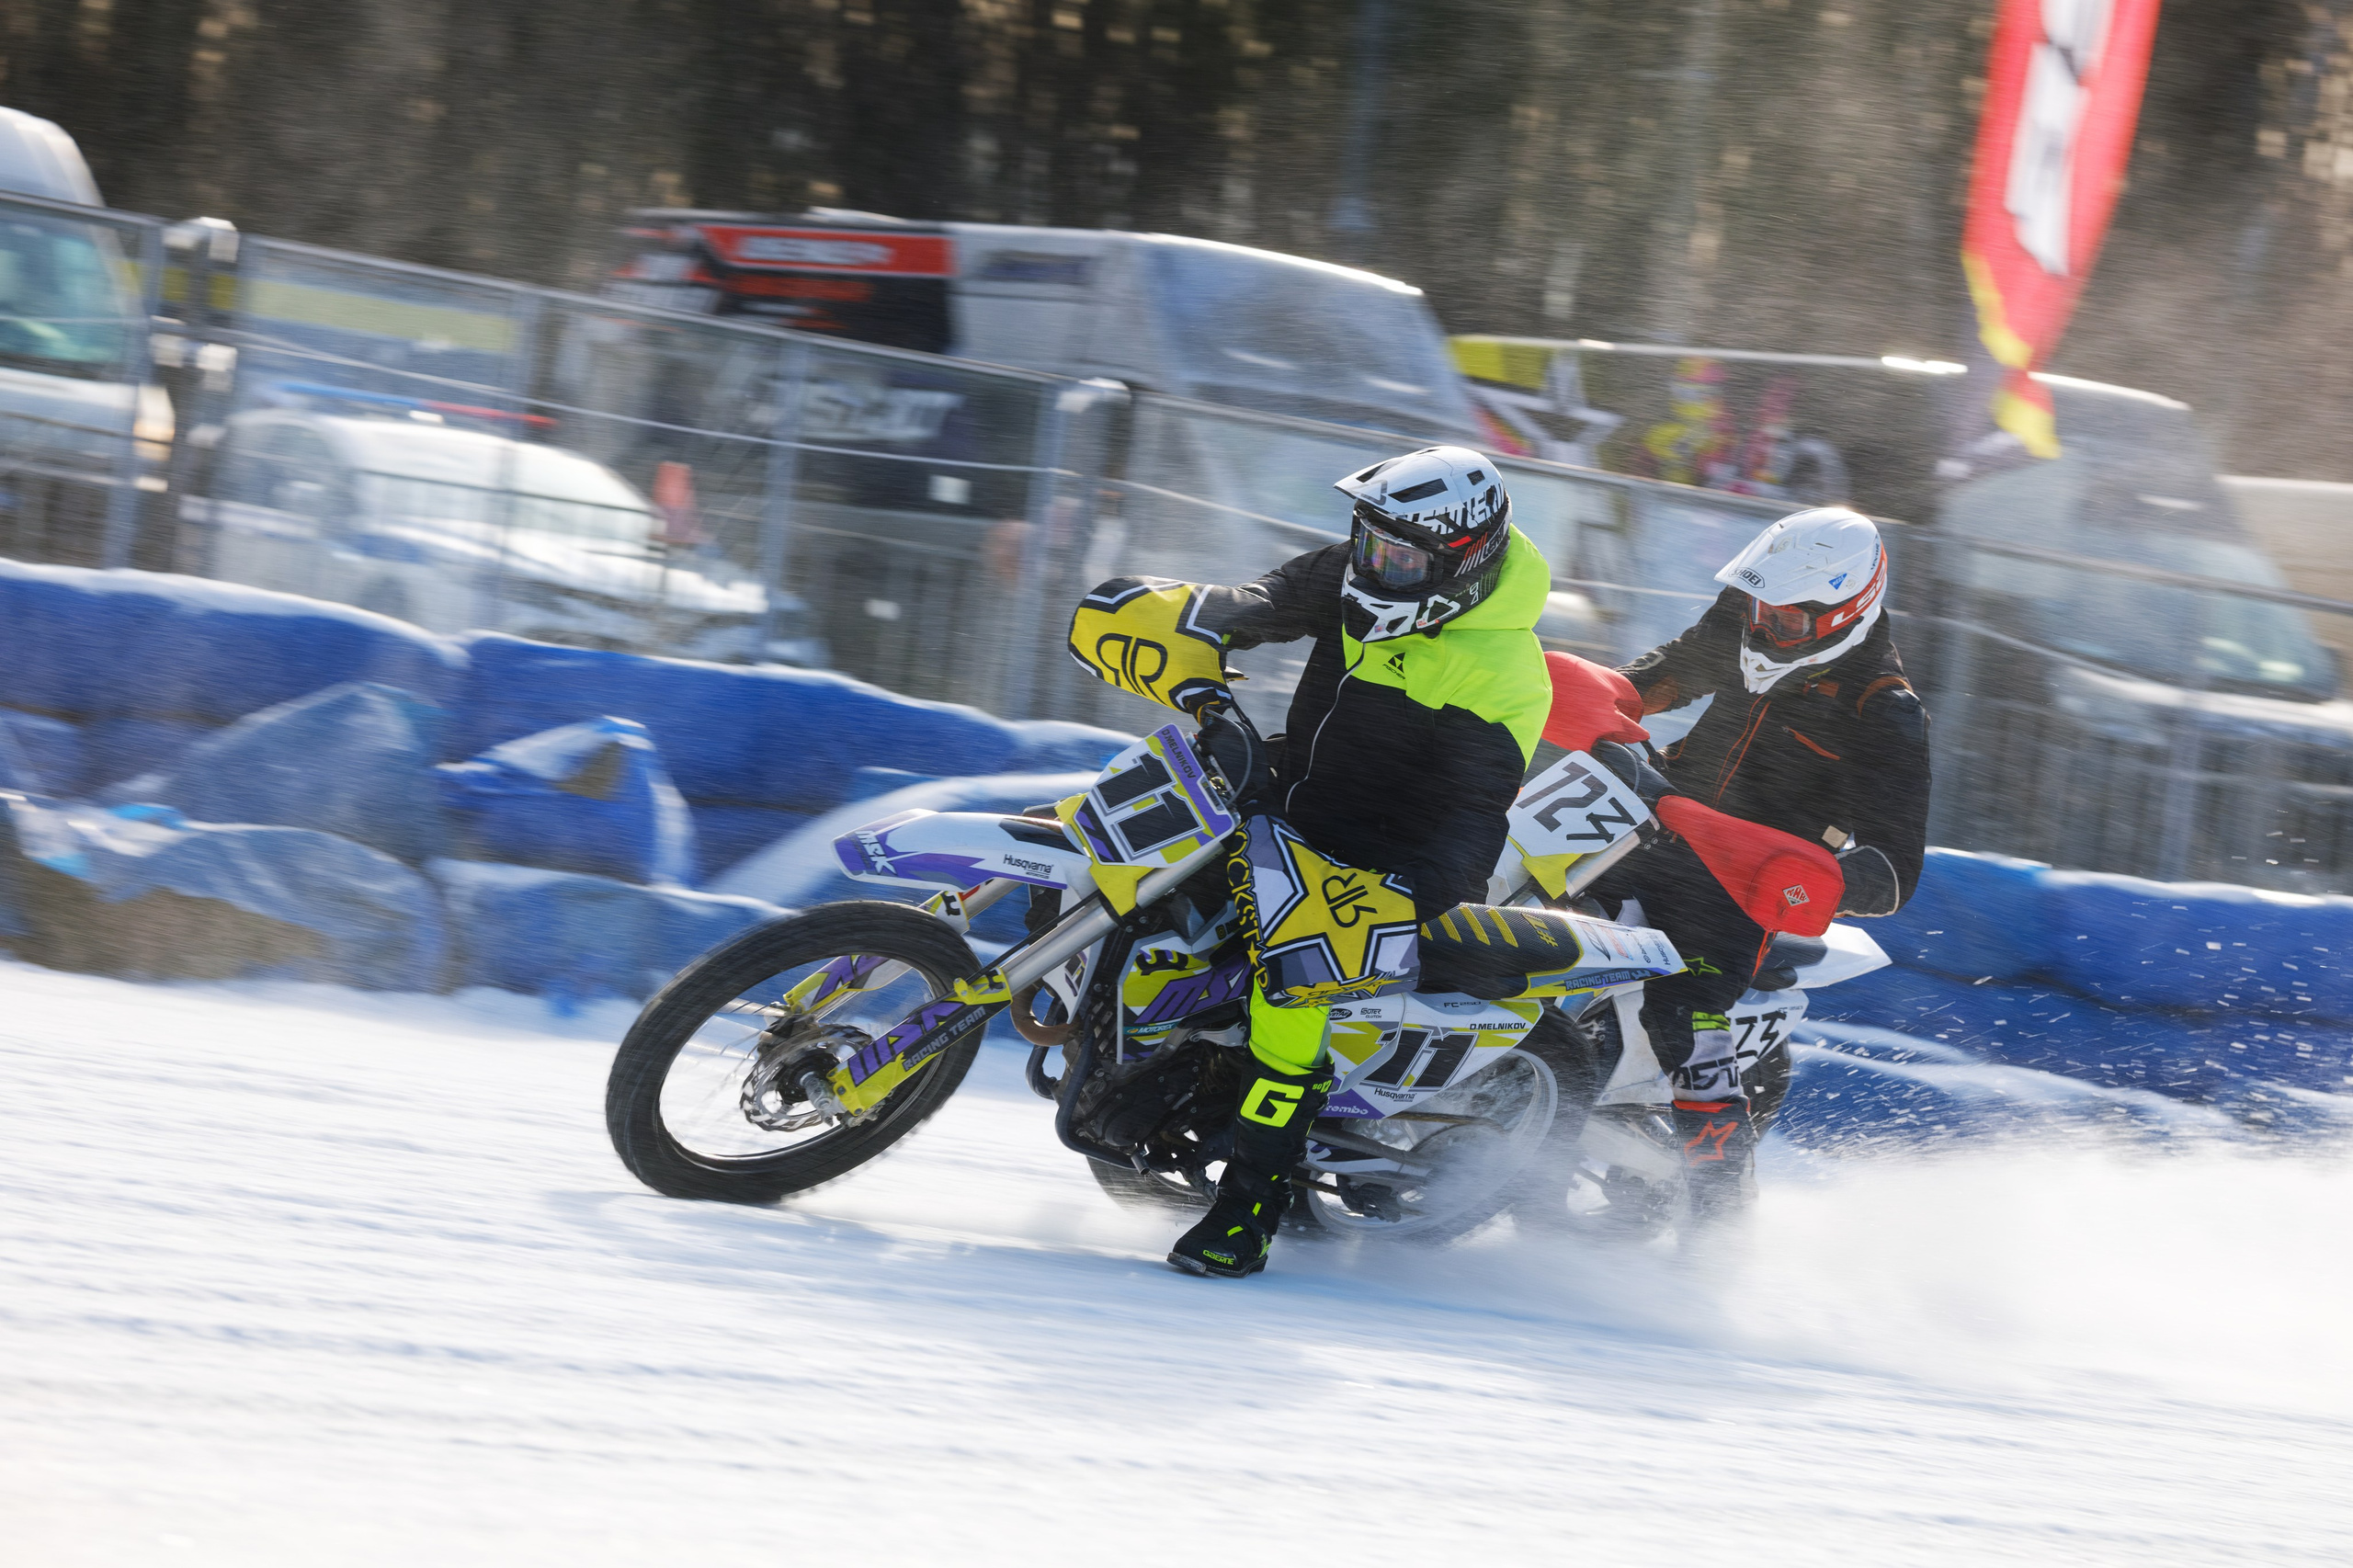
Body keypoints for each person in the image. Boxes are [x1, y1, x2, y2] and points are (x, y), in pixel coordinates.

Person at [1067, 446, 1552, 1278]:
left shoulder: (1506, 674)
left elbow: (1474, 814)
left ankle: (1249, 1208)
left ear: (1462, 563)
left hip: (1372, 859)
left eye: (1398, 555)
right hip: (1283, 796)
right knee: (1100, 842)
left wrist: (1417, 905)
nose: (1372, 563)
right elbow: (1257, 602)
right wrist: (1189, 623)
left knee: (1288, 1005)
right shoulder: (1361, 569)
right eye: (1366, 539)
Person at [1601, 505, 1932, 1216]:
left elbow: (1895, 870)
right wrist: (1601, 703)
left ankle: (1720, 1210)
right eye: (1758, 604)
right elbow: (1671, 670)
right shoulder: (1752, 613)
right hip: (1656, 816)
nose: (1761, 624)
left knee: (1683, 1011)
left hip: (1739, 883)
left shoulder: (1884, 709)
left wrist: (1805, 872)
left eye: (1783, 619)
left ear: (1845, 611)